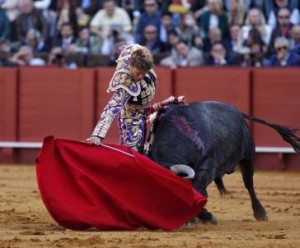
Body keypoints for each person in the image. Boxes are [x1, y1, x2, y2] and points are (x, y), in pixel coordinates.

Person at [87, 44, 157, 153]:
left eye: (144, 73)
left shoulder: (140, 53)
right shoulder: (125, 79)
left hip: (143, 111)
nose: (140, 77)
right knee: (133, 151)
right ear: (131, 65)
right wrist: (97, 135)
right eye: (138, 73)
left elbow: (124, 48)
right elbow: (112, 107)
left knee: (142, 148)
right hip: (130, 114)